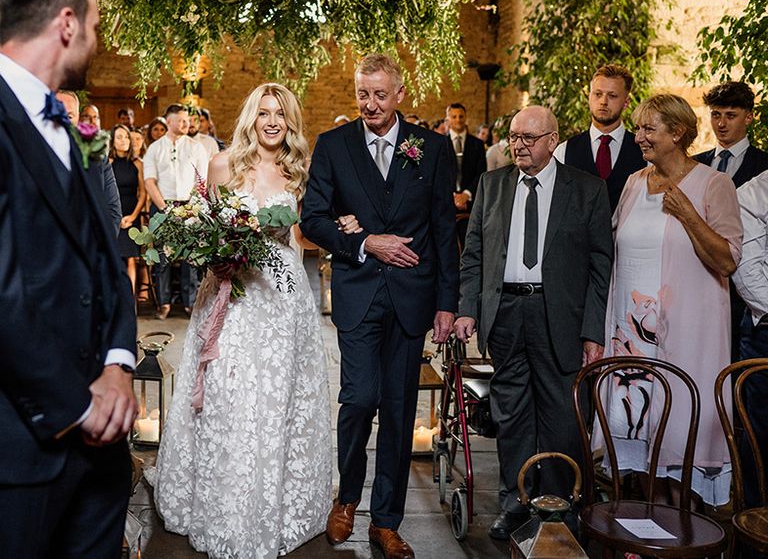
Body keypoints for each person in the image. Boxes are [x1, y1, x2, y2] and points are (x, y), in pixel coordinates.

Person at [154, 83, 333, 558]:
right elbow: (203, 226)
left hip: (283, 297)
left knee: (279, 398)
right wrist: (213, 256)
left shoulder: (299, 171)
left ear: (289, 121)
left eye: (280, 114)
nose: (272, 122)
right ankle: (225, 504)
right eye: (264, 113)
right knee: (227, 396)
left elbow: (305, 236)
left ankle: (272, 506)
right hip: (232, 295)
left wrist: (345, 227)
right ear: (251, 118)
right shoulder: (222, 165)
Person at [0, 0, 137, 557]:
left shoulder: (70, 126)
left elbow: (107, 258)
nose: (98, 40)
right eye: (96, 24)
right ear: (65, 24)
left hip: (100, 451)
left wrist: (116, 364)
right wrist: (77, 406)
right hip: (23, 443)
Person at [301, 53, 458, 559]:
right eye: (363, 94)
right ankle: (347, 499)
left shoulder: (430, 149)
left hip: (413, 299)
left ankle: (386, 521)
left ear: (400, 95)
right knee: (358, 400)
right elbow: (315, 220)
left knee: (398, 409)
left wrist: (447, 304)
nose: (369, 104)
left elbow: (442, 230)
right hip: (360, 293)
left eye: (379, 95)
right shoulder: (334, 146)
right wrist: (368, 241)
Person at [455, 106, 613, 540]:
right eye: (513, 137)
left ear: (552, 139)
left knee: (562, 416)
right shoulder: (492, 184)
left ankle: (560, 506)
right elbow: (473, 255)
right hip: (505, 314)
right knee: (512, 416)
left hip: (558, 316)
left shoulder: (587, 190)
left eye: (528, 138)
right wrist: (469, 307)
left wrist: (592, 330)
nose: (518, 146)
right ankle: (517, 505)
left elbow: (602, 268)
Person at [599, 94, 742, 508]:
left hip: (684, 337)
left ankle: (683, 536)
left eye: (648, 129)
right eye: (638, 128)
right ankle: (644, 533)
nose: (638, 137)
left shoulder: (715, 184)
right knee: (639, 448)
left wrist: (688, 214)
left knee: (680, 441)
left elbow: (727, 261)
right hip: (631, 333)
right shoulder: (632, 182)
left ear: (677, 133)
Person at [693, 80, 768, 362]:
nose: (721, 123)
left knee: (742, 373)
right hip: (700, 281)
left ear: (749, 117)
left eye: (731, 115)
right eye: (716, 114)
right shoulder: (693, 165)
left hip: (747, 298)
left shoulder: (764, 167)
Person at [143, 103, 209, 318]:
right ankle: (164, 304)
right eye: (180, 120)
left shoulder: (196, 147)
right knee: (163, 258)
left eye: (187, 120)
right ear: (169, 121)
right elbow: (149, 181)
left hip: (189, 206)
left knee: (190, 257)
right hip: (162, 206)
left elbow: (202, 181)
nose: (186, 123)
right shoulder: (155, 148)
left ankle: (190, 303)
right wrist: (164, 208)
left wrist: (190, 207)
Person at [554, 64, 646, 212]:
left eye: (612, 96)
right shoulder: (564, 151)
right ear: (589, 97)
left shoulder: (645, 153)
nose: (603, 101)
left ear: (626, 103)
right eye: (598, 94)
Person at [730, 170, 768, 513]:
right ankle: (755, 532)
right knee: (760, 441)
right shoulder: (755, 193)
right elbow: (748, 271)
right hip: (765, 329)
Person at [56, 88, 122, 236]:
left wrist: (99, 248)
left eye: (69, 115)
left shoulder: (97, 158)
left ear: (77, 119)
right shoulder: (32, 153)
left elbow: (113, 210)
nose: (63, 120)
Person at [109, 123, 146, 294]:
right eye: (119, 137)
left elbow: (143, 194)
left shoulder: (137, 163)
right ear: (112, 141)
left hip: (132, 212)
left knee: (131, 258)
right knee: (114, 257)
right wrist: (114, 218)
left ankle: (130, 300)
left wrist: (132, 217)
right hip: (112, 214)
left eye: (126, 137)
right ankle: (115, 297)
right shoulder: (107, 163)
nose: (124, 140)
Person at [445, 102, 487, 247]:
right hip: (446, 203)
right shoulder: (439, 143)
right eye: (454, 116)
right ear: (448, 119)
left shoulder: (477, 144)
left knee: (469, 245)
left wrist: (466, 195)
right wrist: (453, 197)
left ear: (465, 117)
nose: (458, 120)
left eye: (461, 116)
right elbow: (438, 175)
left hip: (470, 204)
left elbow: (481, 173)